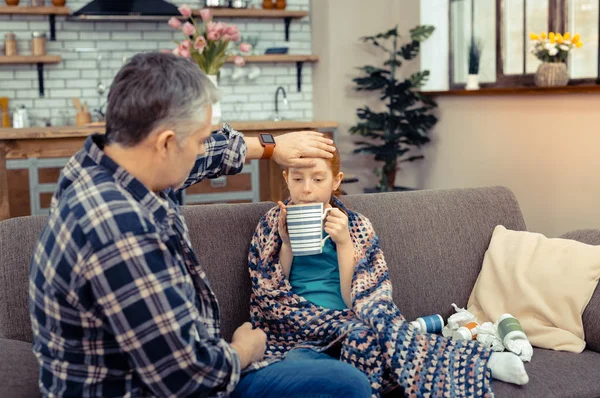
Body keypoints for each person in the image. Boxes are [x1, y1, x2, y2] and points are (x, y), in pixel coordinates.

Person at [28, 52, 371, 398]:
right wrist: (245, 349)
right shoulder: (120, 227)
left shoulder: (101, 167)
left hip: (184, 370)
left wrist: (270, 147)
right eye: (198, 140)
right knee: (347, 385)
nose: (201, 150)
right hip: (176, 384)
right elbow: (187, 377)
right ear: (165, 144)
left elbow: (208, 156)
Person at [248, 145, 530, 396]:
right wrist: (285, 244)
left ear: (336, 182)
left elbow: (358, 298)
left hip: (348, 319)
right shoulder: (272, 224)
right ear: (286, 179)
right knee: (319, 359)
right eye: (297, 179)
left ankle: (483, 361)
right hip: (296, 324)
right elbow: (271, 292)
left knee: (368, 336)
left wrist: (344, 242)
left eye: (318, 179)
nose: (306, 189)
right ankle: (477, 361)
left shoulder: (356, 226)